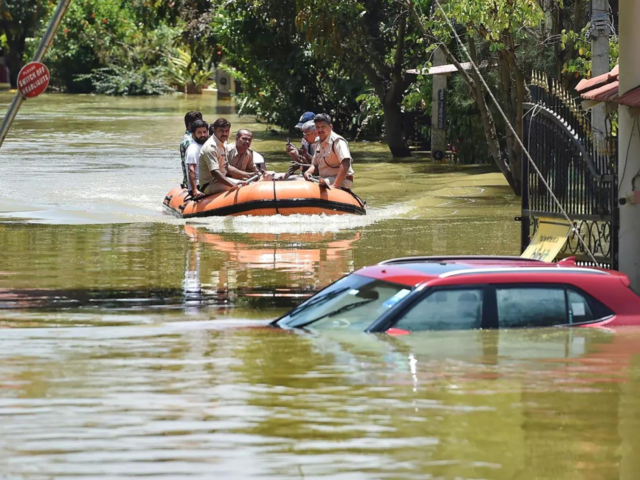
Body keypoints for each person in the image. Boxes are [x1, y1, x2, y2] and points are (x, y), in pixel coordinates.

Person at [303, 113, 354, 189]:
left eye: (323, 127)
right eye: (318, 127)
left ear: (330, 127)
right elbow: (315, 165)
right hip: (325, 178)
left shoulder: (338, 141)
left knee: (320, 185)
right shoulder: (318, 142)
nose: (320, 130)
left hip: (342, 180)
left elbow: (346, 163)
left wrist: (334, 185)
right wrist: (308, 172)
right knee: (302, 181)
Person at [198, 118, 246, 195]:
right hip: (209, 185)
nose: (224, 133)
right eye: (221, 131)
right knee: (242, 189)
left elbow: (227, 166)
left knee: (247, 183)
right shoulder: (210, 147)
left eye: (227, 131)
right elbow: (215, 172)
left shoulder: (223, 144)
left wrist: (248, 175)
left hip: (220, 181)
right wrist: (233, 185)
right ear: (214, 130)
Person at [184, 119, 209, 198]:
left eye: (204, 132)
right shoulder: (193, 148)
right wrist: (195, 190)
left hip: (207, 181)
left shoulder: (206, 146)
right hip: (199, 185)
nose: (203, 135)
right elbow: (191, 169)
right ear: (193, 134)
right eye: (199, 132)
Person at [180, 111, 202, 187]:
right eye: (198, 122)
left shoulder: (193, 139)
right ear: (190, 125)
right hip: (194, 183)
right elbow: (191, 167)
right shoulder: (189, 141)